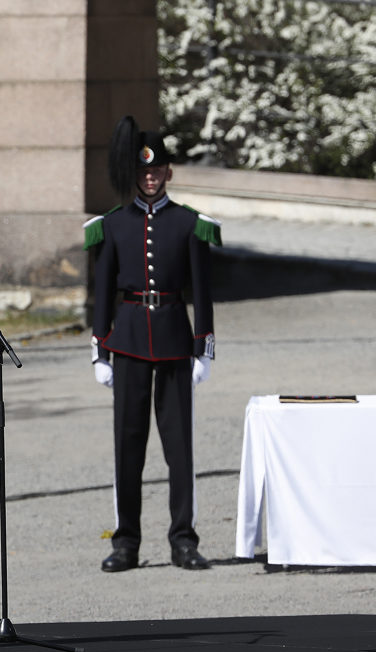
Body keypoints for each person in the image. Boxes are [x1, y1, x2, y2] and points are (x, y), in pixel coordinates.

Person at [84, 116, 222, 573]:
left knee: (179, 450)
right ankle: (126, 543)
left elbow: (202, 290)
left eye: (157, 170)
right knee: (128, 448)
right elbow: (103, 292)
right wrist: (100, 350)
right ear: (135, 174)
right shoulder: (112, 225)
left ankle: (183, 540)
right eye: (144, 172)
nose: (150, 178)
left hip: (175, 343)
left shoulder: (189, 224)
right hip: (126, 343)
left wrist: (203, 347)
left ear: (168, 172)